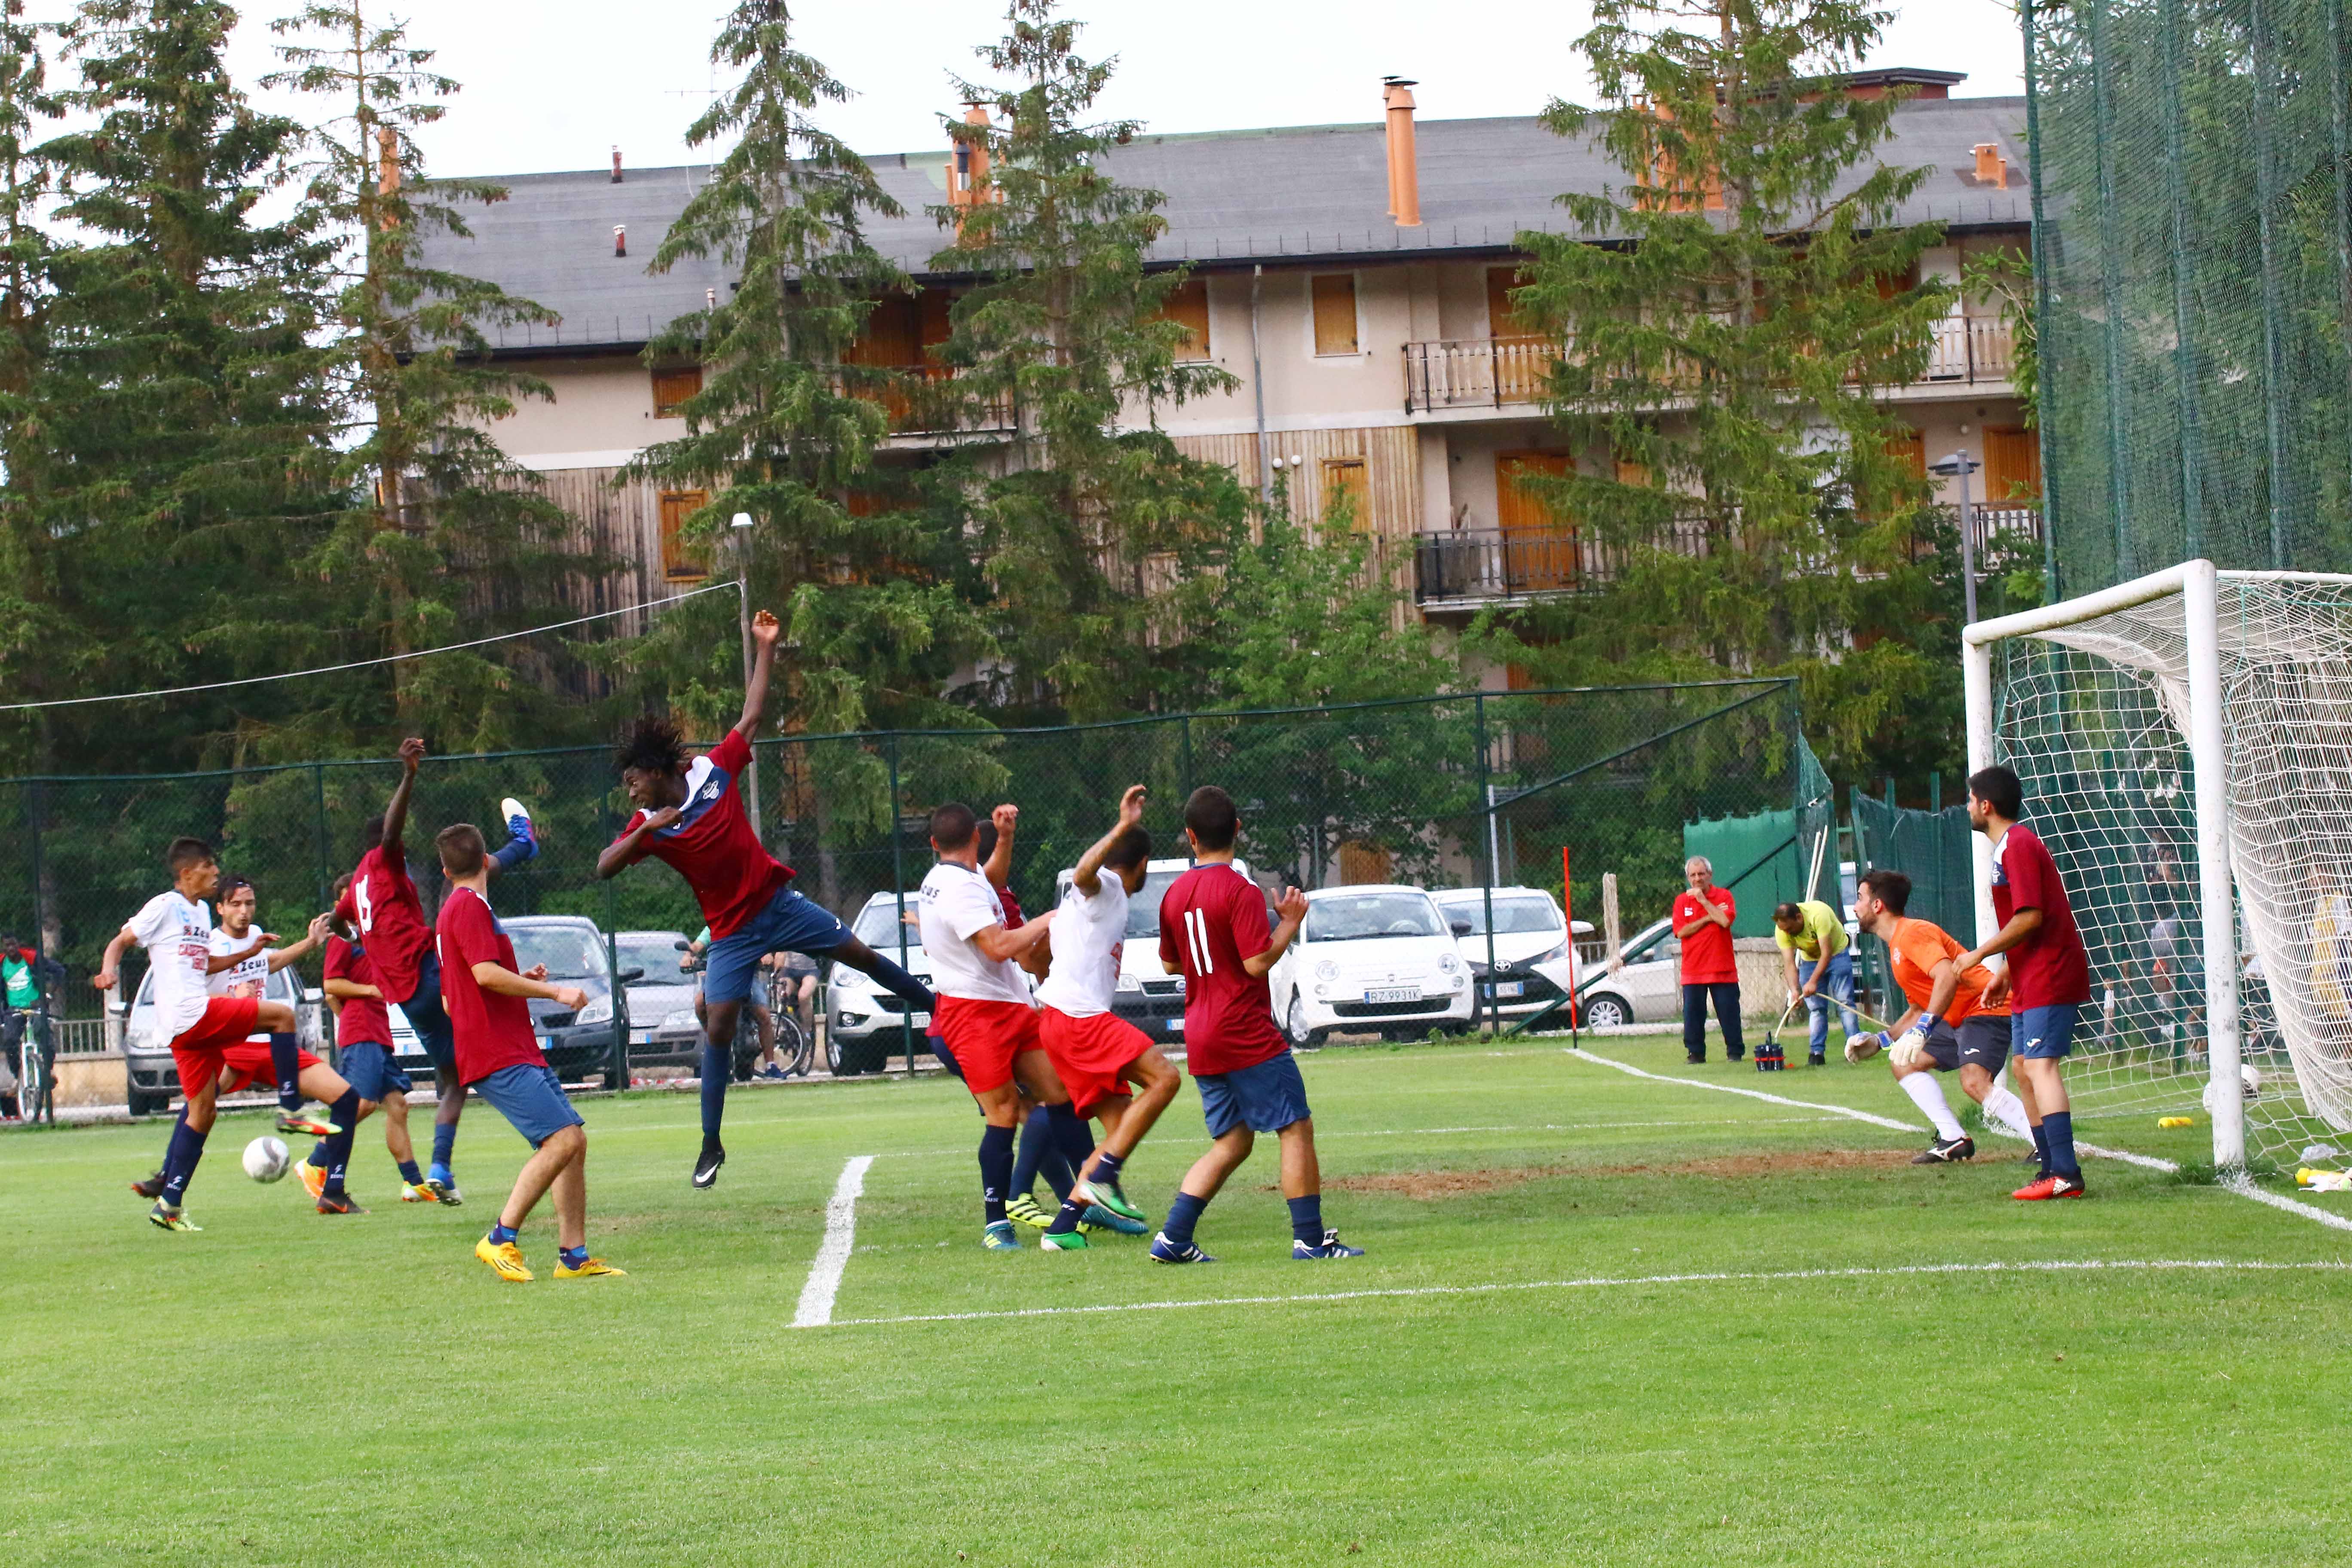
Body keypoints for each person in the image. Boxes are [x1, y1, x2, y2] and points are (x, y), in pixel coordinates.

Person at [597, 607, 932, 1189]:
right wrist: (646, 829)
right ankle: (710, 1144)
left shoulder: (714, 770)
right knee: (720, 1029)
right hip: (731, 933)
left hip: (779, 906)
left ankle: (942, 1010)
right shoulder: (649, 823)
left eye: (634, 778)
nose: (629, 787)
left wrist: (766, 644)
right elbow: (604, 868)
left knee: (859, 954)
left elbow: (753, 714)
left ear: (656, 769)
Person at [1152, 785, 1360, 1264]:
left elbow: (1169, 965)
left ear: (1190, 837)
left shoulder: (1174, 895)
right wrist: (1288, 923)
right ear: (1238, 830)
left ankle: (1173, 1238)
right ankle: (1310, 1240)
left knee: (1234, 1141)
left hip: (1200, 1032)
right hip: (1243, 1031)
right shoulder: (1240, 891)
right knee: (1295, 1127)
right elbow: (1254, 964)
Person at [331, 738, 539, 1206]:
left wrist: (349, 937)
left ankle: (440, 1169)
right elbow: (390, 834)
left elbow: (338, 917)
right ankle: (523, 846)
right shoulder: (384, 861)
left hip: (406, 996)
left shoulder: (356, 887)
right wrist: (409, 775)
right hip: (427, 972)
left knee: (453, 1078)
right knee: (463, 894)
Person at [435, 823, 623, 1282]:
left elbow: (455, 994)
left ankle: (573, 1257)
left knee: (572, 1145)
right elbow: (483, 975)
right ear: (485, 862)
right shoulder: (468, 908)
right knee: (562, 1141)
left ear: (444, 870)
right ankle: (500, 1237)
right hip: (498, 1052)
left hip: (510, 1046)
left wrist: (524, 981)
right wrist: (555, 992)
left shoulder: (458, 910)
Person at [94, 839, 308, 1231]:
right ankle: (291, 1110)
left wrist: (248, 954)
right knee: (282, 1017)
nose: (215, 872)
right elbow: (120, 941)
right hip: (191, 1014)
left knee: (203, 1112)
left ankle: (169, 1205)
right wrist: (110, 972)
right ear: (187, 873)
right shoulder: (165, 906)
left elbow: (205, 964)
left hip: (185, 1032)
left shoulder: (201, 912)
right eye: (209, 866)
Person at [917, 800, 1102, 1251]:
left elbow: (990, 879)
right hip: (972, 1016)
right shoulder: (957, 888)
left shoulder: (958, 876)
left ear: (934, 844)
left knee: (1061, 1093)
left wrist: (1007, 836)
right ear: (973, 839)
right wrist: (1048, 920)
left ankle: (1091, 1196)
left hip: (1009, 1006)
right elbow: (999, 947)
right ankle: (997, 1221)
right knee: (1003, 1114)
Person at [1031, 784, 1178, 1250]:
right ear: (1144, 864)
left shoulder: (1088, 905)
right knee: (1166, 1078)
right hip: (1079, 1020)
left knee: (1119, 1130)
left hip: (1059, 1019)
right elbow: (1083, 872)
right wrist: (1122, 827)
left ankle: (1065, 1226)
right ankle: (1103, 1181)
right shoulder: (1108, 887)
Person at [1956, 764, 2095, 1201]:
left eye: (1970, 798)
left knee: (2040, 1067)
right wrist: (2005, 972)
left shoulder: (2017, 845)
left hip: (2051, 971)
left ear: (1986, 805)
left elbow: (2032, 917)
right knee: (2021, 1068)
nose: (1967, 807)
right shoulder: (2007, 849)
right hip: (2030, 973)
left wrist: (1980, 954)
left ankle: (2067, 1173)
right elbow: (2032, 921)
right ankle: (2049, 1166)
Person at [1842, 869, 2033, 1163]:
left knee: (1974, 1082)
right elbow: (1920, 1008)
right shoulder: (1897, 945)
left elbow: (1946, 976)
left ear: (1878, 906)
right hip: (1958, 1017)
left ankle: (2046, 1145)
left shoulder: (1912, 933)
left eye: (1859, 898)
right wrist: (1880, 1041)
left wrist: (1924, 1029)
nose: (1855, 907)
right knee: (1904, 1063)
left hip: (1985, 1007)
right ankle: (1954, 1139)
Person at [316, 886, 435, 1202]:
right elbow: (330, 986)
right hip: (363, 1032)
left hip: (378, 1032)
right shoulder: (342, 940)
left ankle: (413, 1183)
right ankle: (315, 1160)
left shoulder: (369, 939)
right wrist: (366, 998)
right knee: (363, 1103)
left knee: (397, 1106)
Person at [1673, 856, 1743, 1064]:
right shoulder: (1681, 901)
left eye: (1701, 874)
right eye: (1693, 875)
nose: (1697, 879)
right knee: (1693, 1016)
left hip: (1722, 968)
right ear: (1688, 878)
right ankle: (1695, 1054)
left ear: (1710, 875)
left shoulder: (1724, 896)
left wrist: (1704, 902)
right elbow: (1682, 931)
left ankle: (1735, 1052)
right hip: (1693, 970)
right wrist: (1707, 917)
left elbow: (1724, 921)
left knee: (1729, 1013)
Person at [1773, 898, 1856, 1067]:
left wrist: (1812, 982)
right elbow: (1789, 963)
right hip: (1809, 960)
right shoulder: (1782, 929)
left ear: (1799, 918)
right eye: (1784, 930)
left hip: (1837, 955)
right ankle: (1816, 1053)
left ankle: (1856, 1047)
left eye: (1790, 929)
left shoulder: (1819, 914)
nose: (1787, 934)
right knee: (1816, 1008)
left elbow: (1827, 953)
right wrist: (1795, 990)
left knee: (1845, 1002)